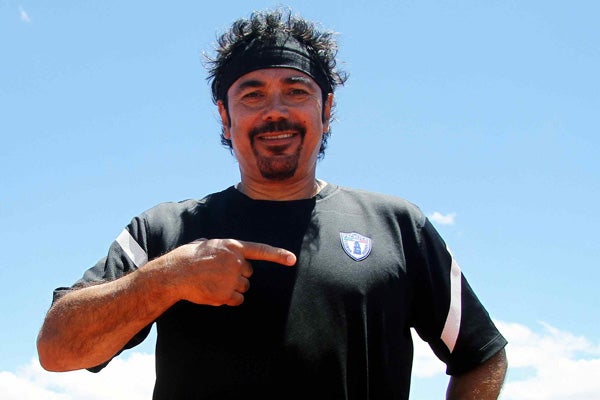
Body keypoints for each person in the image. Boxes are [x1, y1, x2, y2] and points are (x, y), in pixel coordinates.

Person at [37, 8, 508, 400]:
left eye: (296, 91)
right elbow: (57, 349)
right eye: (252, 95)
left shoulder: (398, 227)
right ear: (225, 117)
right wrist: (169, 278)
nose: (275, 111)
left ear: (326, 110)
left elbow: (482, 355)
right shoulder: (164, 229)